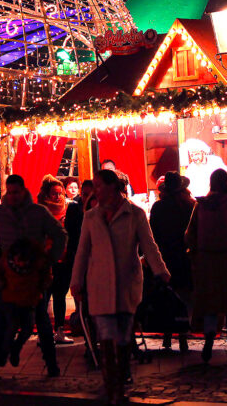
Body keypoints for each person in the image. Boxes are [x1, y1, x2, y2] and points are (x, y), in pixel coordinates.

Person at [71, 169, 170, 405]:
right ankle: (111, 385)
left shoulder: (134, 214)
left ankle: (122, 374)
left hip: (127, 284)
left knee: (124, 335)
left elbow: (149, 245)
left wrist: (161, 272)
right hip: (100, 284)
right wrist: (76, 280)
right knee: (105, 335)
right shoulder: (91, 217)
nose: (96, 191)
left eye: (99, 186)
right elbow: (82, 252)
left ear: (112, 187)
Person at [0, 174, 66, 381]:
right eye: (10, 192)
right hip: (8, 276)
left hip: (32, 276)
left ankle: (51, 363)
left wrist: (48, 259)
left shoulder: (38, 212)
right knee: (2, 321)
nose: (13, 196)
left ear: (23, 191)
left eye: (16, 192)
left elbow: (60, 234)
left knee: (40, 319)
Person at [186, 168, 227, 365]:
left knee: (210, 304)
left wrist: (197, 255)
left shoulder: (201, 205)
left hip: (207, 263)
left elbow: (189, 235)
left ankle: (208, 340)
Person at [149, 172, 195, 354]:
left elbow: (152, 234)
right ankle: (183, 336)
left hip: (165, 257)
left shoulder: (158, 207)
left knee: (167, 296)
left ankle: (167, 334)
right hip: (183, 256)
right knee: (184, 298)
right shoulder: (189, 207)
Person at [0, 237, 52, 373]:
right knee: (12, 326)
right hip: (12, 297)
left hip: (28, 298)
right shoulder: (9, 258)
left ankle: (13, 349)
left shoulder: (36, 259)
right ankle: (6, 352)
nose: (20, 265)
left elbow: (46, 274)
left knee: (27, 327)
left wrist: (41, 287)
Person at [37, 176, 77, 345]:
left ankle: (59, 329)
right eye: (54, 193)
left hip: (64, 257)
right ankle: (44, 333)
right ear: (46, 194)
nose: (58, 197)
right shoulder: (40, 211)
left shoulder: (68, 209)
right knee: (44, 297)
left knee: (60, 294)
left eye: (60, 193)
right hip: (46, 259)